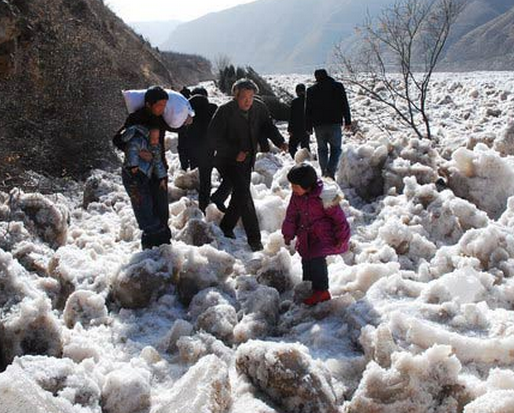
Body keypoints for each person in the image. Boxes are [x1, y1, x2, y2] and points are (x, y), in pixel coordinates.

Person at [208, 78, 288, 251]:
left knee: (239, 194)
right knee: (244, 195)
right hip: (227, 161)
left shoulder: (259, 107)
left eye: (251, 96)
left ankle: (226, 226)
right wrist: (234, 152)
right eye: (244, 97)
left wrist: (280, 141)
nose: (248, 101)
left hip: (247, 159)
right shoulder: (224, 111)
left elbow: (268, 126)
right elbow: (213, 138)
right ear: (235, 96)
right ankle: (255, 240)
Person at [282, 163, 351, 305]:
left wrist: (342, 238)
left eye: (296, 186)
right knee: (306, 259)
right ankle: (308, 288)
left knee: (317, 261)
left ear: (307, 186)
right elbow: (291, 215)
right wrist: (288, 233)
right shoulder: (296, 196)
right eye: (292, 186)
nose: (292, 189)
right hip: (305, 234)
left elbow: (339, 218)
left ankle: (322, 291)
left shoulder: (325, 195)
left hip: (322, 236)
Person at [113, 86, 172, 245]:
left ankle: (165, 249)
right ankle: (149, 249)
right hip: (139, 172)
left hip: (159, 168)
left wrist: (187, 121)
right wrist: (136, 152)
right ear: (148, 104)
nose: (162, 109)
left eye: (164, 105)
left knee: (162, 210)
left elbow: (176, 127)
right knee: (146, 210)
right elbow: (117, 139)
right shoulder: (135, 118)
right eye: (159, 105)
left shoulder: (161, 118)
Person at [119, 124, 171, 249]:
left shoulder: (155, 146)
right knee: (142, 206)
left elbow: (157, 162)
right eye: (153, 137)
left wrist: (162, 178)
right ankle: (151, 236)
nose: (155, 140)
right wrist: (133, 167)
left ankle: (156, 238)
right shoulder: (139, 140)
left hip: (144, 178)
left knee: (148, 204)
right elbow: (131, 149)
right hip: (133, 177)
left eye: (157, 138)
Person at [305, 69, 352, 180]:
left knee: (322, 149)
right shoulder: (338, 86)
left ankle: (324, 172)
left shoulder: (311, 90)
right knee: (336, 149)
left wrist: (308, 126)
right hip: (334, 123)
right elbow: (344, 104)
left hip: (319, 125)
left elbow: (308, 110)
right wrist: (348, 121)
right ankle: (330, 172)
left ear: (316, 77)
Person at [185, 87, 218, 212]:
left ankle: (198, 200)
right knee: (206, 179)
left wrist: (185, 159)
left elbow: (183, 137)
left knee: (200, 176)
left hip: (195, 150)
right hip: (209, 150)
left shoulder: (189, 113)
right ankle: (204, 205)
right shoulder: (213, 109)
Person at [288, 83, 311, 158]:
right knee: (305, 147)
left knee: (292, 147)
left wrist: (290, 129)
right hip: (306, 128)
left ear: (297, 91)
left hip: (296, 129)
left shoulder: (295, 102)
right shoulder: (309, 101)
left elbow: (291, 116)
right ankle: (307, 162)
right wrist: (310, 128)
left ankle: (297, 160)